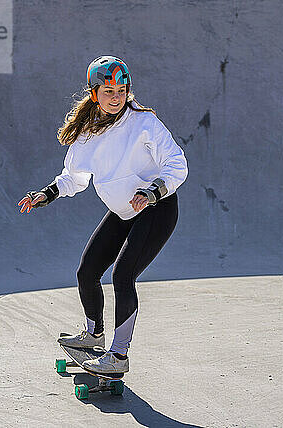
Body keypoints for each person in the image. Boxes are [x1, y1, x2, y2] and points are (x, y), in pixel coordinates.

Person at [17, 55, 188, 374]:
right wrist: (48, 193)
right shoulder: (88, 132)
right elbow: (75, 176)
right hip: (123, 211)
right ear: (93, 93)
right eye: (108, 91)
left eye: (122, 90)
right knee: (87, 271)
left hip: (156, 208)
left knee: (123, 276)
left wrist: (152, 191)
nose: (116, 97)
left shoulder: (144, 123)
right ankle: (93, 334)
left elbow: (177, 164)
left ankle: (118, 356)